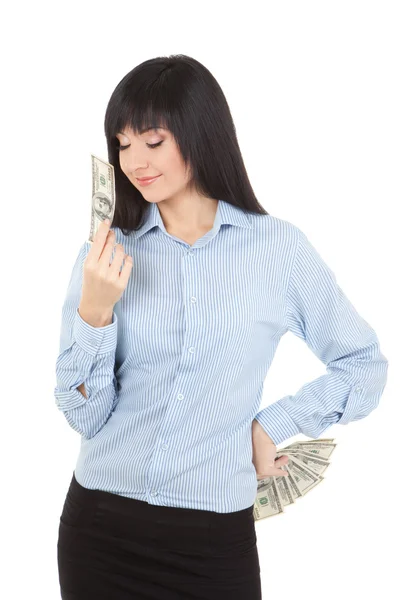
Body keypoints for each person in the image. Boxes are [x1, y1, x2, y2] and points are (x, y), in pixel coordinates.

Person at [54, 54, 389, 600]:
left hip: (211, 544)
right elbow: (83, 415)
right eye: (122, 143)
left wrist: (268, 426)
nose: (134, 160)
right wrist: (95, 312)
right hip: (100, 529)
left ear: (199, 134)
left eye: (153, 141)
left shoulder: (277, 249)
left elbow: (363, 364)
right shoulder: (106, 254)